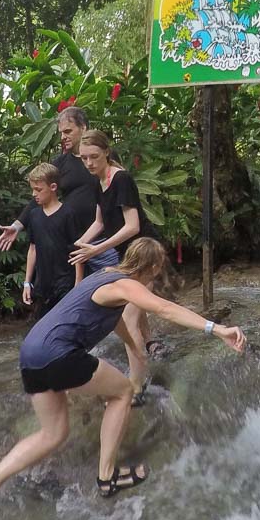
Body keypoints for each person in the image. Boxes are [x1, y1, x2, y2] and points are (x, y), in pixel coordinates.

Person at [0, 237, 245, 501]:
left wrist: (132, 344)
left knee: (52, 434)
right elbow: (164, 308)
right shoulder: (125, 285)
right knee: (123, 392)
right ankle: (107, 477)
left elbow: (111, 317)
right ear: (153, 267)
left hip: (31, 353)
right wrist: (217, 328)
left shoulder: (104, 274)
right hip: (59, 354)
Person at [68, 129, 162, 397]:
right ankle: (151, 346)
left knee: (128, 316)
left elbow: (132, 227)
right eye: (84, 158)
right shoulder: (99, 182)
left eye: (94, 157)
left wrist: (95, 249)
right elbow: (99, 223)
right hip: (128, 254)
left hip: (145, 253)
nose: (88, 163)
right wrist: (76, 246)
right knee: (137, 306)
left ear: (106, 153)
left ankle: (136, 384)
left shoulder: (121, 179)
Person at [0, 106, 96, 253]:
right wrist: (17, 226)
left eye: (68, 131)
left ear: (84, 128)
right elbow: (40, 194)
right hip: (73, 239)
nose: (63, 137)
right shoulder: (60, 163)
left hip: (102, 239)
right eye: (61, 133)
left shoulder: (103, 157)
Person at [18, 162, 83, 320]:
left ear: (53, 187)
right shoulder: (34, 215)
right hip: (42, 285)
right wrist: (27, 282)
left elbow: (78, 251)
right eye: (32, 189)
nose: (34, 194)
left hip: (65, 284)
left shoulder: (68, 214)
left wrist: (78, 285)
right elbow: (32, 249)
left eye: (38, 190)